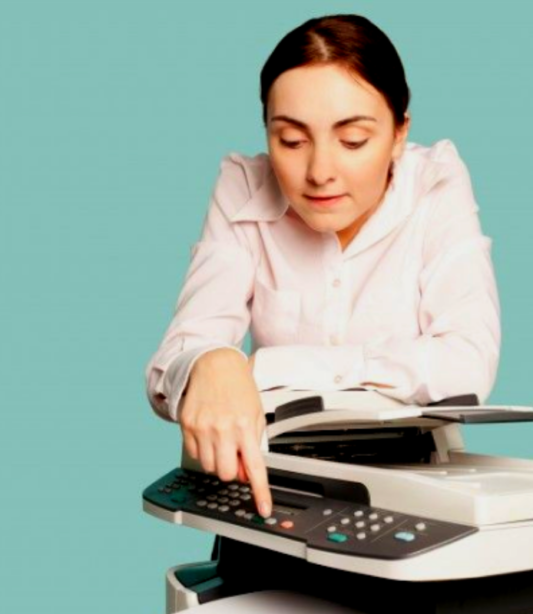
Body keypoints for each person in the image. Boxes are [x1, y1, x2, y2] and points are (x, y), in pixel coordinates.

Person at [144, 14, 501, 521]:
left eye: (353, 140)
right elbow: (170, 369)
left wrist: (257, 369)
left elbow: (465, 363)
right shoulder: (244, 186)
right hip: (274, 485)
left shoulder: (435, 183)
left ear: (400, 132)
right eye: (291, 141)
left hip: (417, 488)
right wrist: (206, 365)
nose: (319, 172)